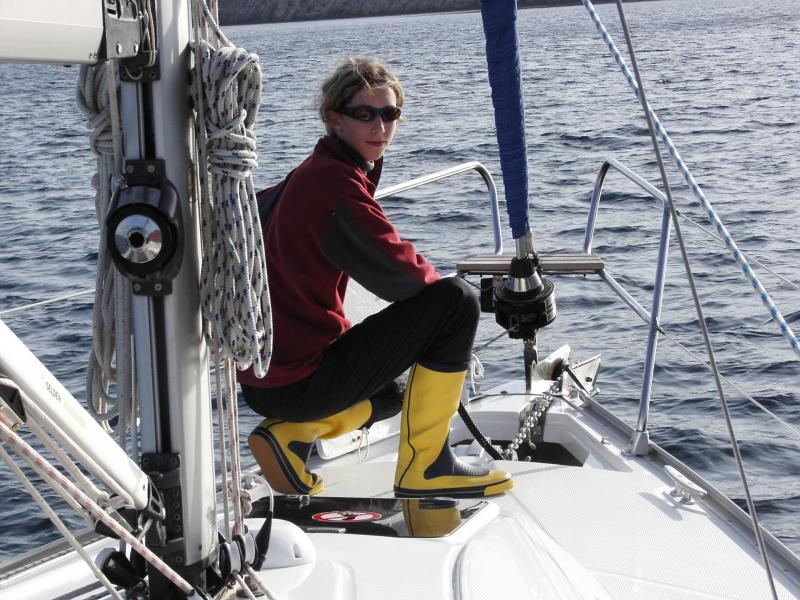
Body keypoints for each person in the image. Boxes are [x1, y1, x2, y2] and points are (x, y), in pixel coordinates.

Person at [238, 57, 512, 499]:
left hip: (264, 382)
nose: (380, 127)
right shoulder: (335, 184)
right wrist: (481, 302)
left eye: (390, 114)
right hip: (301, 380)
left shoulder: (306, 174)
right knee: (457, 302)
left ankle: (291, 434)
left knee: (400, 390)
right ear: (334, 118)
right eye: (364, 114)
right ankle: (427, 468)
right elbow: (408, 279)